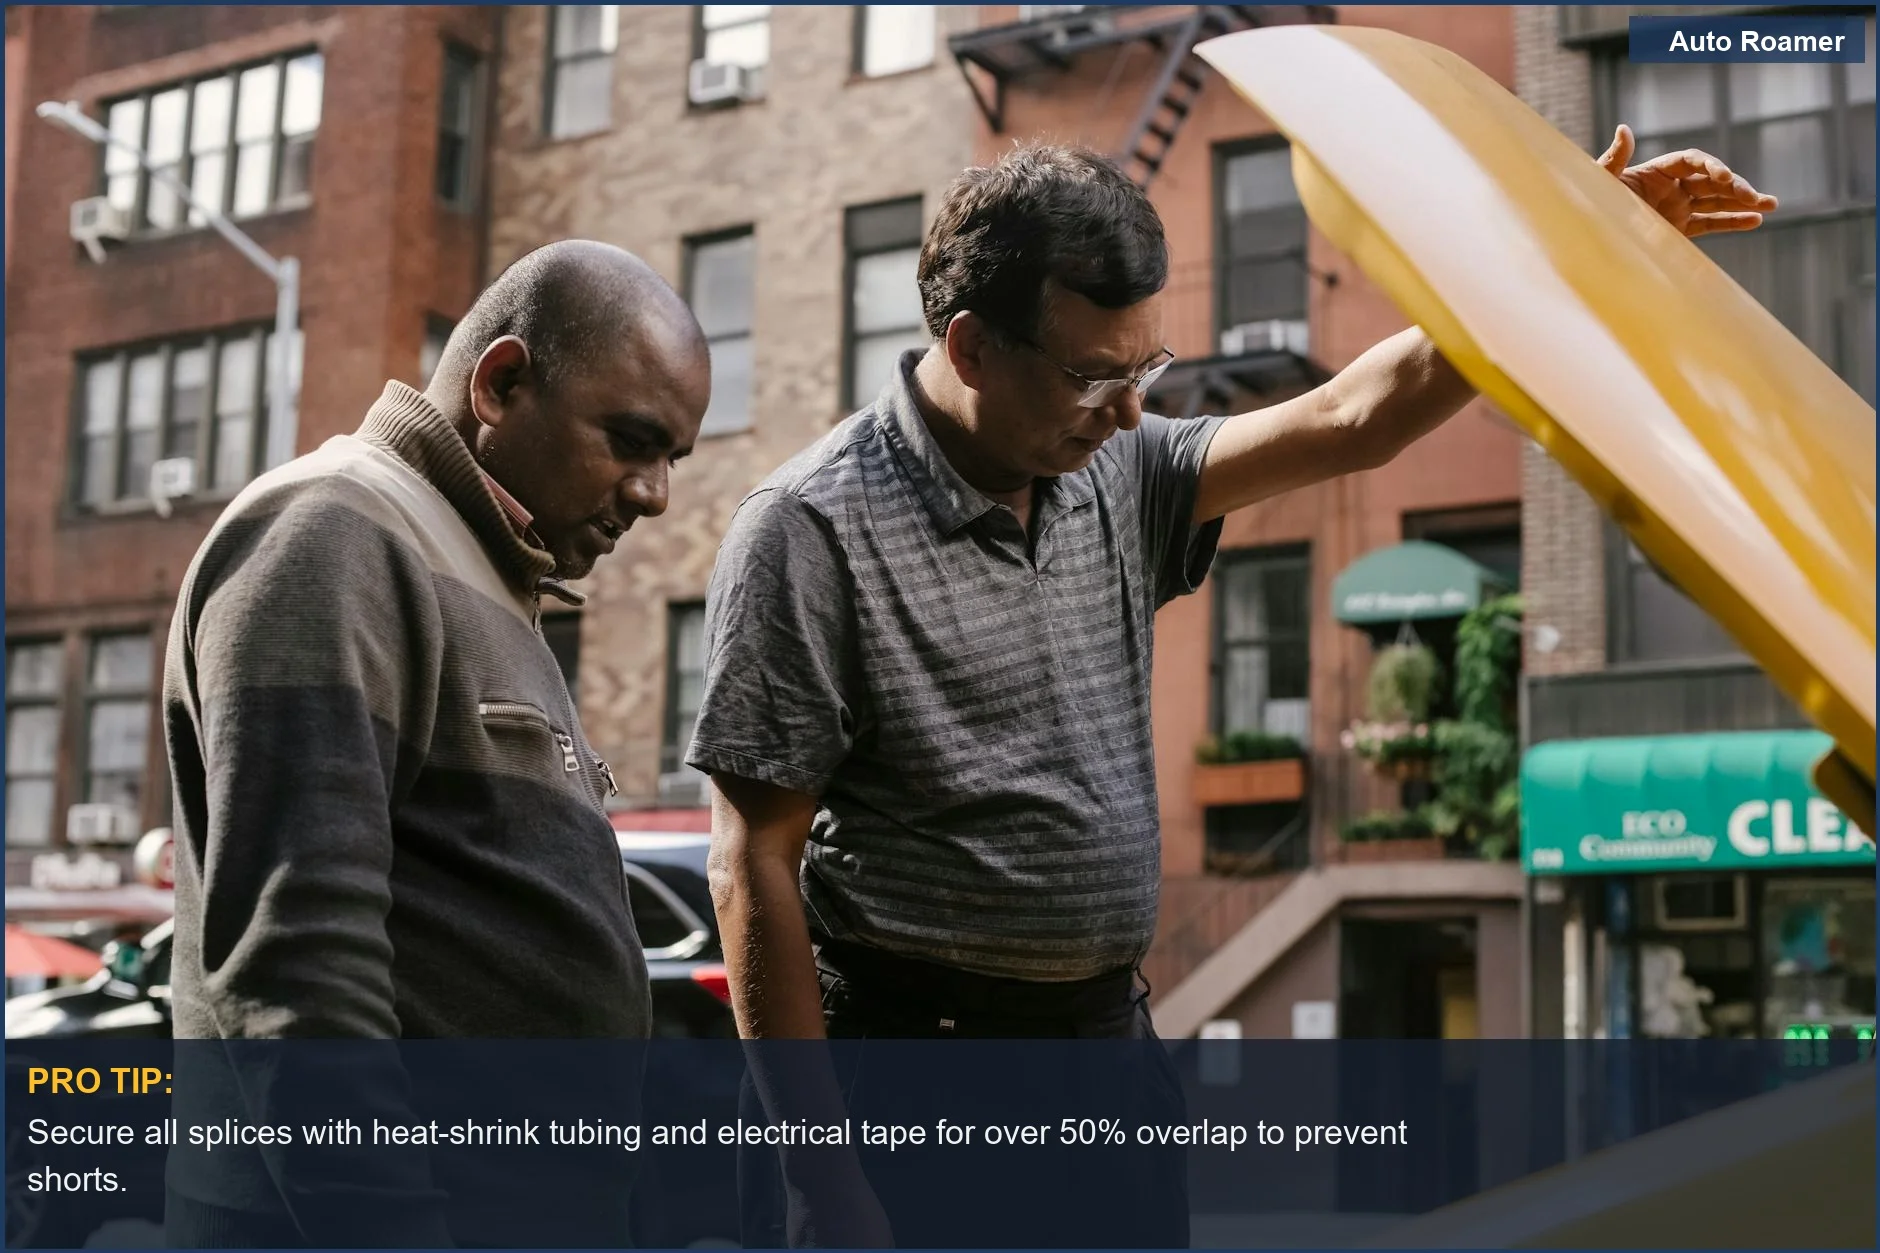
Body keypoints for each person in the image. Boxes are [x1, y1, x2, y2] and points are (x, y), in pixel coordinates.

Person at [691, 128, 1775, 1246]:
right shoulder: (808, 531)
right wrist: (818, 1176)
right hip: (908, 1071)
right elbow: (750, 862)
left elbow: (1356, 413)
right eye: (1090, 374)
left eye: (1142, 369)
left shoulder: (1112, 467)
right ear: (967, 347)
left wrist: (1565, 253)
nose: (1124, 410)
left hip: (1103, 1048)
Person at [161, 240, 710, 1247]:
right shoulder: (333, 532)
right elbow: (299, 967)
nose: (654, 493)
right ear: (500, 383)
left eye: (672, 457)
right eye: (632, 441)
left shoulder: (489, 571)